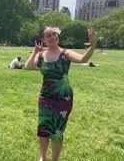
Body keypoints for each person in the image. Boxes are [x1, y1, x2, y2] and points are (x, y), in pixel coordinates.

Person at [24, 27, 97, 161]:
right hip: (45, 97)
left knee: (57, 130)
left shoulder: (65, 53)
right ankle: (43, 157)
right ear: (43, 40)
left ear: (58, 37)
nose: (52, 37)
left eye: (54, 34)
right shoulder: (41, 55)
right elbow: (28, 67)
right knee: (43, 128)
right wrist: (34, 52)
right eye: (48, 35)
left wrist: (92, 45)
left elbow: (82, 59)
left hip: (63, 98)